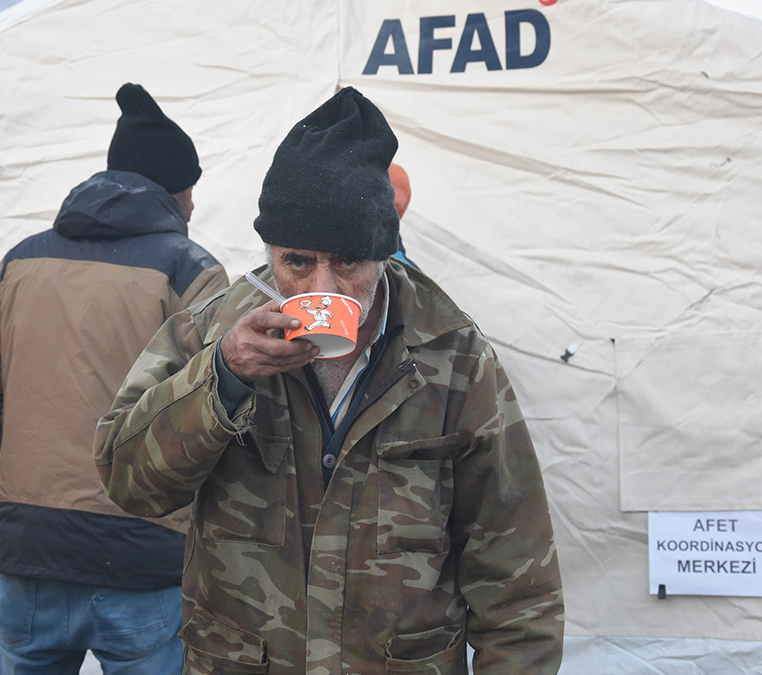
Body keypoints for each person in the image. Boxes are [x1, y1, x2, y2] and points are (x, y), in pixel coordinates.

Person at [95, 87, 564, 674]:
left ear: (383, 255)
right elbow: (128, 481)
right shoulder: (212, 331)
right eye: (297, 262)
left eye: (347, 261)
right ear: (270, 255)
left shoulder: (452, 356)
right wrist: (223, 376)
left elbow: (518, 579)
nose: (327, 287)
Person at [0, 83, 229, 674]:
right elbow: (215, 407)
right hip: (144, 549)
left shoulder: (18, 261)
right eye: (192, 189)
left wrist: (42, 447)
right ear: (176, 191)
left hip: (31, 547)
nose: (195, 206)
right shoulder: (191, 271)